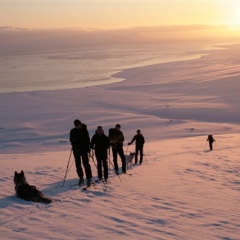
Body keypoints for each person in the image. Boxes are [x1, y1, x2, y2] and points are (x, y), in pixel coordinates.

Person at [70, 119, 92, 186]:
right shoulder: (73, 131)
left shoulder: (84, 130)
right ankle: (81, 177)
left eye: (80, 124)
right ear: (76, 125)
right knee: (78, 164)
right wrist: (75, 146)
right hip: (76, 150)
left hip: (84, 149)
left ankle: (88, 178)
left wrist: (88, 148)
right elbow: (71, 140)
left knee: (86, 164)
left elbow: (88, 140)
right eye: (79, 125)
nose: (80, 125)